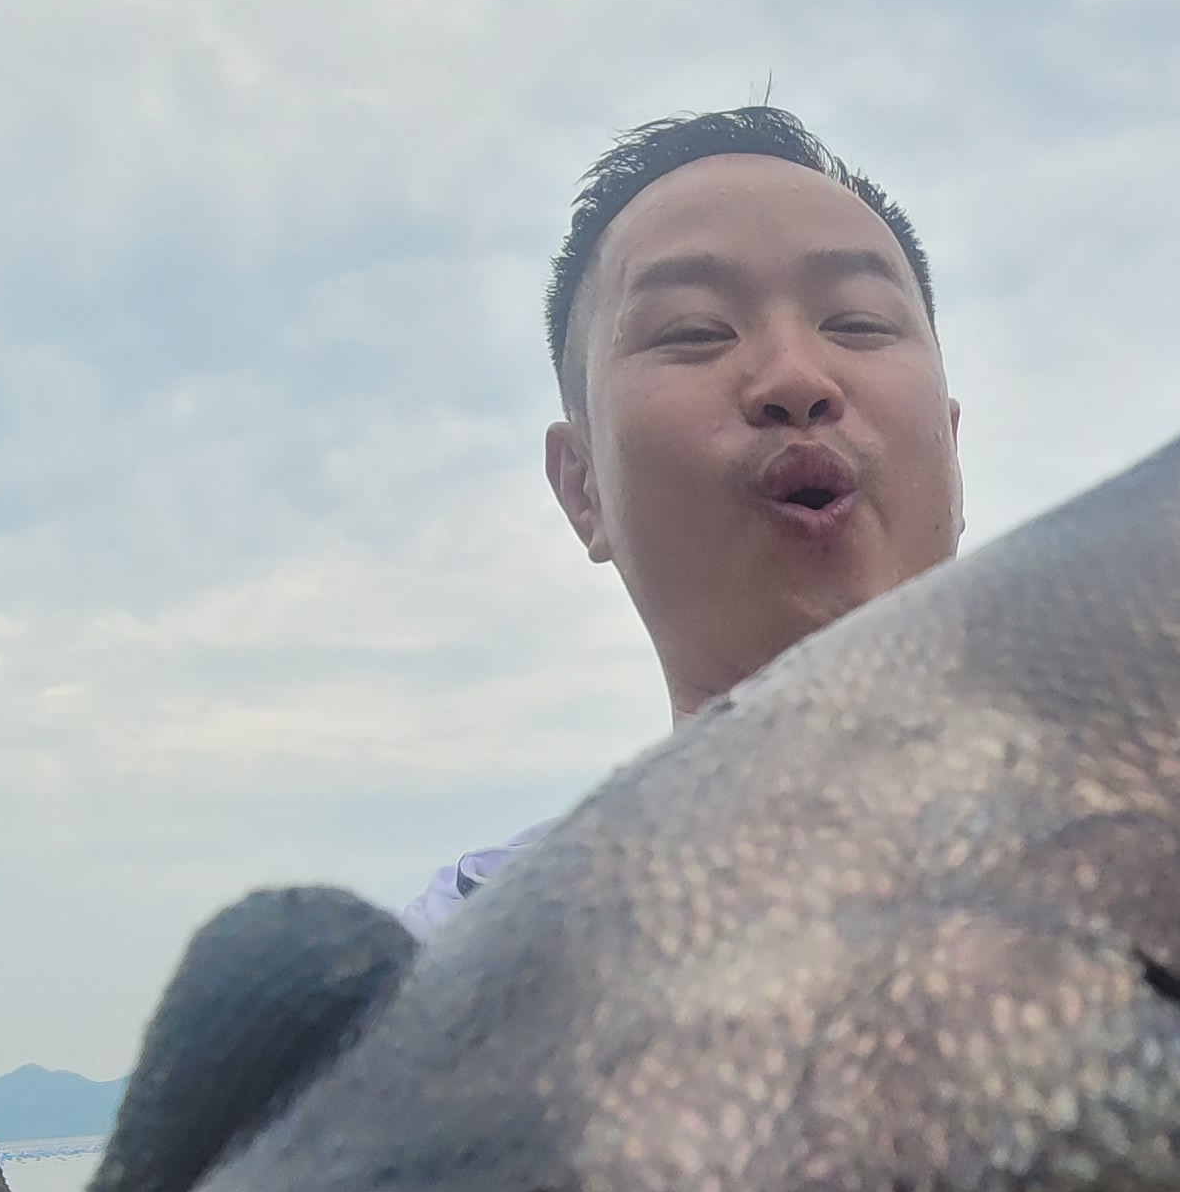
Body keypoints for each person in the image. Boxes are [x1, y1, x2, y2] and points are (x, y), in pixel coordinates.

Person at [402, 106, 964, 937]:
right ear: (582, 489)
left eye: (857, 321)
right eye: (695, 332)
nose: (796, 377)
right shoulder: (453, 965)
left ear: (953, 450)